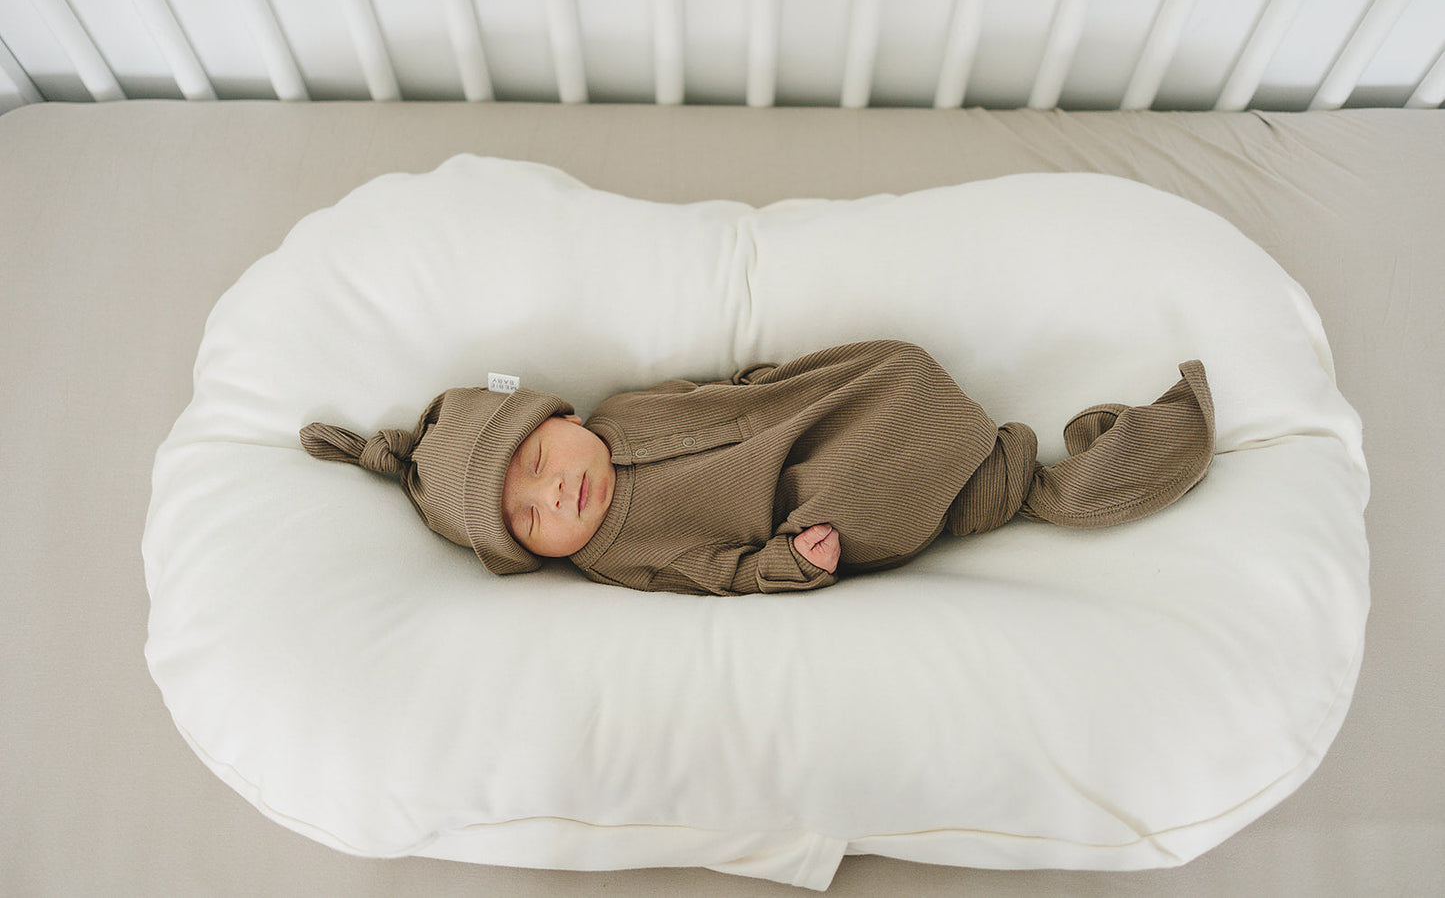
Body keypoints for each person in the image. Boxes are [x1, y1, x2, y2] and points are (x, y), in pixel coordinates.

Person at [300, 340, 1214, 595]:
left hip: (813, 411)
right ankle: (1014, 481)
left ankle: (975, 445)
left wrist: (775, 385)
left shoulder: (623, 409)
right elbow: (712, 573)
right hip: (813, 499)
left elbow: (715, 389)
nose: (555, 491)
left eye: (538, 458)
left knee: (897, 363)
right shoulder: (614, 556)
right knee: (855, 500)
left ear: (562, 415)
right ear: (536, 556)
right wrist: (790, 566)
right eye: (531, 517)